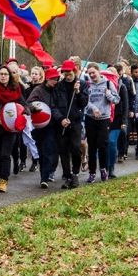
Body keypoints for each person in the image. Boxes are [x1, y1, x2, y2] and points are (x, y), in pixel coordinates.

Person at [0, 66, 28, 193]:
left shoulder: (16, 89)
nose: (3, 76)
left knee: (5, 154)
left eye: (6, 74)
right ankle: (0, 177)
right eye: (1, 74)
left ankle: (4, 180)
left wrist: (24, 113)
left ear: (10, 76)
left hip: (10, 129)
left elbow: (24, 105)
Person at [28, 67, 63, 188]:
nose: (55, 81)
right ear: (47, 78)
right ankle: (44, 174)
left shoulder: (57, 90)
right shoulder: (38, 90)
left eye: (57, 79)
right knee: (41, 151)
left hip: (53, 125)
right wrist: (34, 108)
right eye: (53, 79)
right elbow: (28, 103)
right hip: (39, 126)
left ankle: (45, 178)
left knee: (49, 150)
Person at [55, 60, 88, 189]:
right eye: (65, 74)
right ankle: (67, 175)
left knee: (75, 148)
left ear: (74, 72)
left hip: (75, 122)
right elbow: (55, 105)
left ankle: (75, 173)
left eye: (69, 74)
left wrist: (78, 92)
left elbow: (84, 103)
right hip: (62, 122)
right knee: (63, 150)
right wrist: (60, 119)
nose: (67, 76)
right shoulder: (59, 86)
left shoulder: (82, 84)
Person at [84, 64, 118, 182]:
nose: (92, 75)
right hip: (90, 118)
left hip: (104, 119)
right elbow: (85, 101)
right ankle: (92, 172)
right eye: (90, 73)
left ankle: (103, 169)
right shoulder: (87, 84)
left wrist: (108, 95)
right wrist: (93, 108)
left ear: (99, 71)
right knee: (92, 147)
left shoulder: (108, 84)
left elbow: (116, 100)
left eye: (93, 72)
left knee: (102, 145)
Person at [107, 66, 128, 178]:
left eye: (112, 72)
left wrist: (124, 121)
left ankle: (111, 168)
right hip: (104, 118)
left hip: (117, 119)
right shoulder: (103, 85)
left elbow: (125, 105)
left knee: (111, 142)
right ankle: (104, 166)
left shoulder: (122, 87)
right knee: (104, 143)